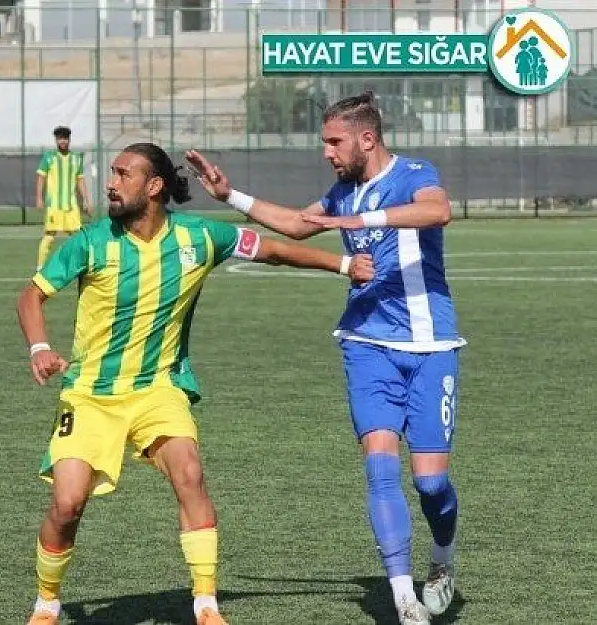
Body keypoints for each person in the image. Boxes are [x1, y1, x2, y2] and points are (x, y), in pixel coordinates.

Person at [17, 142, 373, 625]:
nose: (111, 182)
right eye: (112, 174)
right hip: (91, 394)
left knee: (189, 473)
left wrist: (345, 265)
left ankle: (206, 605)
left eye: (124, 174)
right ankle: (47, 602)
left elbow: (271, 250)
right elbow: (31, 298)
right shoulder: (90, 241)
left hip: (157, 390)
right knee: (67, 504)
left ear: (154, 186)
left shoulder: (201, 237)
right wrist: (40, 347)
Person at [185, 91, 462, 625]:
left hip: (431, 347)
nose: (327, 153)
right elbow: (294, 223)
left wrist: (357, 223)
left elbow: (438, 210)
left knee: (432, 484)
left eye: (334, 142)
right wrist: (230, 196)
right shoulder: (342, 192)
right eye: (324, 143)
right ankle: (404, 597)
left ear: (367, 138)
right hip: (365, 344)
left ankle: (443, 557)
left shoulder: (414, 173)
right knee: (380, 467)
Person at [35, 125, 92, 271]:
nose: (63, 141)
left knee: (78, 237)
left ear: (69, 140)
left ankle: (79, 265)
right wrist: (39, 198)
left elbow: (80, 180)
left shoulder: (75, 158)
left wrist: (86, 199)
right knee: (49, 236)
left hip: (71, 206)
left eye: (65, 138)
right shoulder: (49, 157)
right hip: (54, 205)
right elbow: (41, 178)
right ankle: (40, 268)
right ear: (56, 140)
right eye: (60, 138)